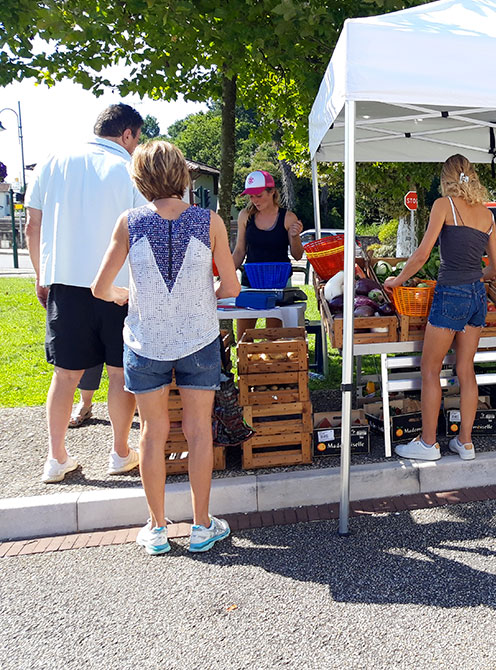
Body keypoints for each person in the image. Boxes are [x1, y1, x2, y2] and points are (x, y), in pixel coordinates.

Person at [92, 140, 240, 555]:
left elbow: (100, 288)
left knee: (152, 434)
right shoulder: (209, 221)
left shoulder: (129, 222)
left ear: (140, 179)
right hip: (199, 340)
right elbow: (230, 287)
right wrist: (204, 292)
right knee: (198, 433)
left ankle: (157, 528)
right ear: (183, 175)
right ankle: (201, 525)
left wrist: (126, 295)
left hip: (145, 343)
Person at [25, 103, 146, 483]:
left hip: (65, 282)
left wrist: (41, 274)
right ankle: (119, 452)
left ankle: (55, 457)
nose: (136, 145)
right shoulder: (131, 171)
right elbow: (142, 233)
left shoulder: (53, 160)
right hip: (119, 287)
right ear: (127, 134)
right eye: (136, 138)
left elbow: (33, 224)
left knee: (64, 376)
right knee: (119, 372)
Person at [384, 154, 496, 461]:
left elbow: (422, 255)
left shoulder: (443, 205)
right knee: (465, 369)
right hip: (478, 296)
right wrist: (477, 277)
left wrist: (396, 280)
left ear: (446, 177)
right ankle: (465, 443)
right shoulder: (487, 215)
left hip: (451, 293)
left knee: (430, 369)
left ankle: (427, 443)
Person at [231, 170, 305, 340]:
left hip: (278, 285)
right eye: (250, 196)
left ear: (272, 192)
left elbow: (298, 255)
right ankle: (246, 367)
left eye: (258, 195)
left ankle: (269, 366)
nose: (254, 200)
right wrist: (224, 275)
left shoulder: (288, 217)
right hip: (250, 283)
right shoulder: (245, 216)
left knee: (273, 338)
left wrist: (294, 237)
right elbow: (240, 251)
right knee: (244, 338)